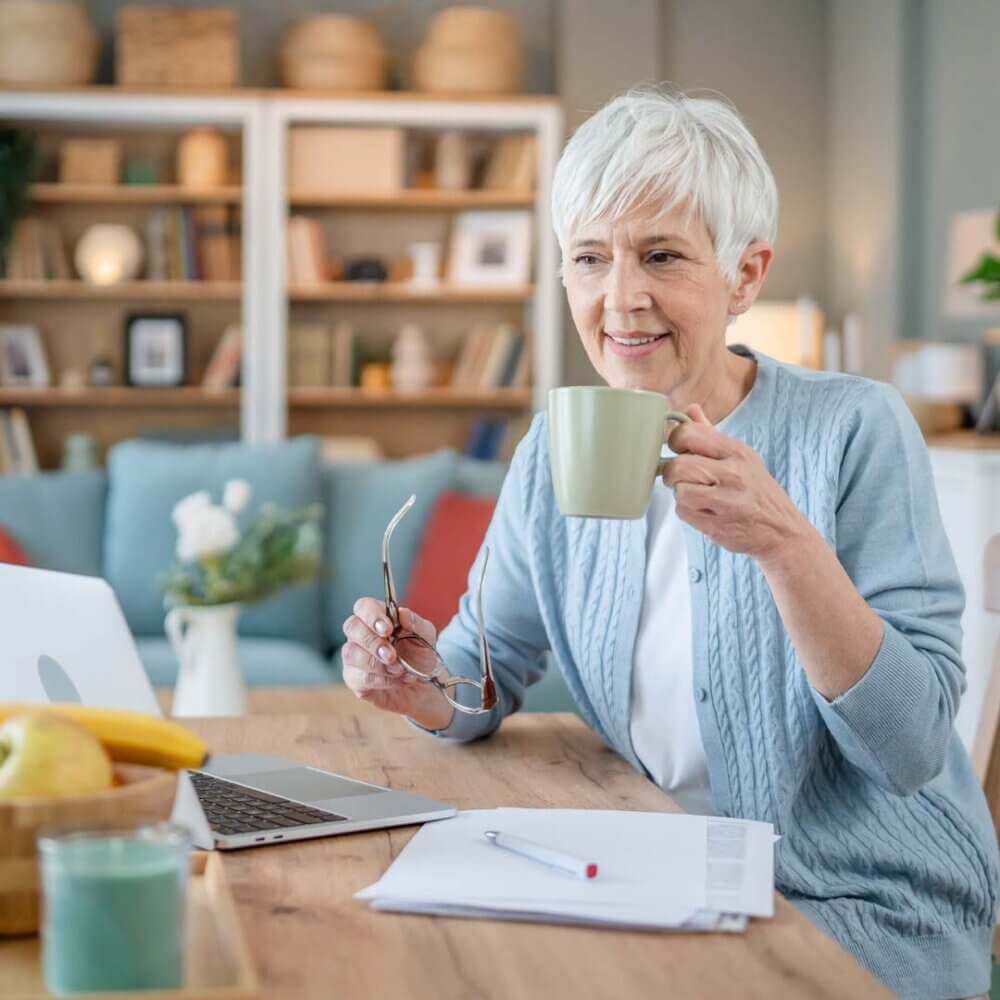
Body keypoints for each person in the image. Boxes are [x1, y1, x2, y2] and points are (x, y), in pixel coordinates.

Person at [341, 86, 998, 1000]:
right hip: (653, 879)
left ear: (746, 274)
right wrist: (417, 684)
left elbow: (913, 746)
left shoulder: (857, 428)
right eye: (588, 257)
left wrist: (784, 546)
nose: (622, 298)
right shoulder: (553, 450)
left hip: (856, 903)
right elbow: (485, 673)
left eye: (661, 255)